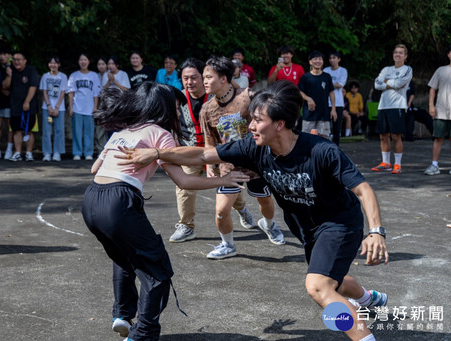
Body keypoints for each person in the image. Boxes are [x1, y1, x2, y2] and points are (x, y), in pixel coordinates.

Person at [118, 80, 390, 341]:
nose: (250, 126)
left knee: (318, 286)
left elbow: (363, 189)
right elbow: (202, 155)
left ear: (280, 124)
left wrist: (376, 231)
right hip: (308, 228)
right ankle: (369, 298)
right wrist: (156, 153)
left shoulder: (321, 151)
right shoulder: (254, 148)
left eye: (257, 120)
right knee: (334, 281)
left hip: (339, 224)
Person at [82, 81, 249, 341]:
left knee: (125, 259)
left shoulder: (123, 131)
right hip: (119, 201)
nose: (179, 112)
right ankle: (142, 335)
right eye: (176, 107)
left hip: (91, 199)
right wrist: (222, 181)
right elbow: (184, 181)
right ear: (163, 107)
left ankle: (122, 315)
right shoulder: (160, 135)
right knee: (157, 272)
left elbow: (95, 168)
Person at [198, 56, 283, 259]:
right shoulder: (206, 110)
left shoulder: (248, 97)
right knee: (221, 211)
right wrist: (210, 165)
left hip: (257, 164)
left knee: (265, 202)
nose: (205, 82)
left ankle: (269, 224)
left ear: (224, 78)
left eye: (209, 77)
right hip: (229, 168)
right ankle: (228, 245)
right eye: (204, 77)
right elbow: (210, 142)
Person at [169, 58, 210, 243]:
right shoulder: (178, 98)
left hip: (215, 150)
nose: (189, 82)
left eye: (194, 77)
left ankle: (241, 208)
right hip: (190, 151)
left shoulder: (216, 96)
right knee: (183, 186)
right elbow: (171, 122)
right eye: (185, 78)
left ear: (203, 77)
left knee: (230, 187)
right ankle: (186, 225)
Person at [372, 44, 413, 174]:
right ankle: (385, 162)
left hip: (397, 106)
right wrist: (391, 83)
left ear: (405, 56)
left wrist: (386, 82)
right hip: (383, 106)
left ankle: (397, 164)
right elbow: (376, 84)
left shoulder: (407, 69)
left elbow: (399, 83)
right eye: (396, 52)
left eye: (401, 53)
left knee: (396, 136)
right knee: (383, 136)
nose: (398, 54)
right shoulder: (386, 69)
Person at [3, 52, 40, 162]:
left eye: (19, 59)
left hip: (30, 106)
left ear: (25, 60)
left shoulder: (31, 70)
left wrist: (27, 102)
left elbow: (33, 86)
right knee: (16, 130)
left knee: (30, 130)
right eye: (14, 59)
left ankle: (29, 153)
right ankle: (18, 153)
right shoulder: (11, 70)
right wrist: (9, 75)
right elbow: (4, 86)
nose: (16, 62)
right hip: (15, 105)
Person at [67, 53, 101, 160]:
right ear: (78, 62)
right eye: (81, 60)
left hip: (89, 108)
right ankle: (77, 152)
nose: (83, 62)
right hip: (77, 107)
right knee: (76, 132)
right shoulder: (74, 75)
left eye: (85, 60)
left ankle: (88, 153)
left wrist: (95, 107)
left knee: (89, 132)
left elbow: (96, 93)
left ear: (89, 61)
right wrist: (71, 108)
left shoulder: (94, 75)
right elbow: (71, 93)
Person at [424, 45, 451, 176]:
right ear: (448, 55)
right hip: (441, 110)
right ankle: (434, 165)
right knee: (438, 138)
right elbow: (432, 88)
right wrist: (431, 105)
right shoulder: (441, 70)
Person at [298, 51, 337, 138]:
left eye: (320, 59)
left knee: (323, 138)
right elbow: (299, 91)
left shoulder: (327, 76)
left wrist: (333, 109)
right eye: (315, 59)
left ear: (323, 62)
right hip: (309, 114)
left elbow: (331, 92)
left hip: (324, 114)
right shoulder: (305, 77)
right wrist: (308, 99)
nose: (318, 61)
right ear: (310, 62)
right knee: (306, 138)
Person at [39, 55, 68, 162]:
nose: (53, 65)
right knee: (46, 131)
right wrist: (49, 106)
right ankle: (47, 153)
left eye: (55, 63)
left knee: (59, 130)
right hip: (47, 107)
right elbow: (44, 92)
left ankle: (57, 152)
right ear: (48, 65)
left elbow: (63, 92)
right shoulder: (45, 76)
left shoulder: (63, 76)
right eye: (51, 63)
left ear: (59, 65)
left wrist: (56, 107)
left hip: (59, 108)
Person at [323, 52, 348, 145]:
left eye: (334, 58)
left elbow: (340, 85)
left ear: (339, 59)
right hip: (326, 102)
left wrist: (328, 84)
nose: (331, 60)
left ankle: (336, 147)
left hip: (338, 103)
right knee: (325, 126)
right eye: (330, 58)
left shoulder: (343, 71)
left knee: (336, 127)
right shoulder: (325, 70)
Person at [0, 49, 13, 159]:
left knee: (10, 126)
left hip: (11, 102)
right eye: (0, 53)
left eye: (4, 53)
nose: (2, 56)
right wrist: (2, 88)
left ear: (9, 55)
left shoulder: (14, 67)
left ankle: (9, 149)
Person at [94, 56, 109, 154]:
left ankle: (108, 149)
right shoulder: (95, 75)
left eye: (103, 64)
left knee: (109, 127)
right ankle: (101, 149)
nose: (101, 66)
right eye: (99, 64)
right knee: (99, 127)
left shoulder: (110, 75)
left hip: (109, 103)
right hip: (98, 102)